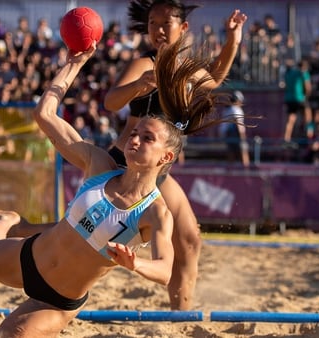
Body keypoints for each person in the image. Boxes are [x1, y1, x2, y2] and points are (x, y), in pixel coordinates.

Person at [0, 37, 239, 337]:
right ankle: (7, 220)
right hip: (27, 257)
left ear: (166, 156)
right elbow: (44, 115)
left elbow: (164, 270)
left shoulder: (156, 212)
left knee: (8, 335)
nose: (134, 140)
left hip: (58, 300)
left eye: (147, 138)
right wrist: (74, 64)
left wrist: (135, 264)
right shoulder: (99, 164)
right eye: (134, 133)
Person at [101, 0, 248, 310]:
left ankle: (179, 315)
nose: (157, 29)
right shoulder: (145, 64)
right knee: (87, 238)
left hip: (156, 170)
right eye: (152, 23)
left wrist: (233, 39)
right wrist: (138, 86)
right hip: (126, 162)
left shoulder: (186, 70)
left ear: (182, 29)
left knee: (190, 241)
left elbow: (214, 79)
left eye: (164, 23)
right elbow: (111, 102)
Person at [283, 58, 312, 143]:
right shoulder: (303, 73)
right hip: (299, 98)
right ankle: (309, 135)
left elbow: (285, 86)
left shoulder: (289, 73)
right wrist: (306, 96)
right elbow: (308, 87)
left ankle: (286, 139)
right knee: (308, 115)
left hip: (289, 98)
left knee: (291, 119)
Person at [219, 90, 250, 167]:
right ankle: (247, 174)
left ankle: (230, 174)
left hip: (227, 135)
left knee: (231, 155)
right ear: (238, 100)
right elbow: (238, 124)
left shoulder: (227, 110)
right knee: (243, 152)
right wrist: (242, 137)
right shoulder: (236, 109)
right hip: (235, 134)